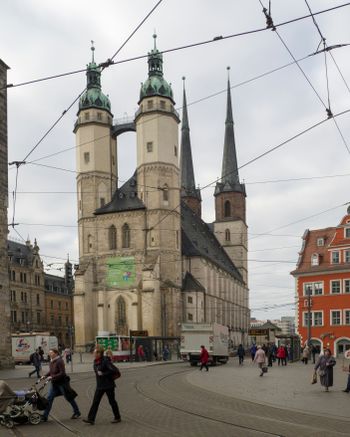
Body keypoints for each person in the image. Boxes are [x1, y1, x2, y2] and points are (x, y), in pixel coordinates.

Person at [83, 347, 121, 425]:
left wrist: (103, 374)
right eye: (93, 352)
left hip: (108, 385)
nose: (93, 354)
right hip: (100, 385)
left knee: (112, 401)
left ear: (99, 354)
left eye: (95, 353)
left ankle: (117, 417)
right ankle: (91, 419)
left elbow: (113, 370)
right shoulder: (95, 361)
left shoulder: (105, 361)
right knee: (95, 402)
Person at [41, 348, 81, 422]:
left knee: (69, 398)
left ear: (56, 353)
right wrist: (45, 375)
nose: (50, 354)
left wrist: (51, 377)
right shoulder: (52, 361)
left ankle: (77, 412)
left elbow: (62, 373)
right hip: (54, 384)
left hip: (62, 384)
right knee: (49, 398)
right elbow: (51, 371)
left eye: (51, 353)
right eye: (49, 353)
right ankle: (44, 416)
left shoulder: (60, 361)